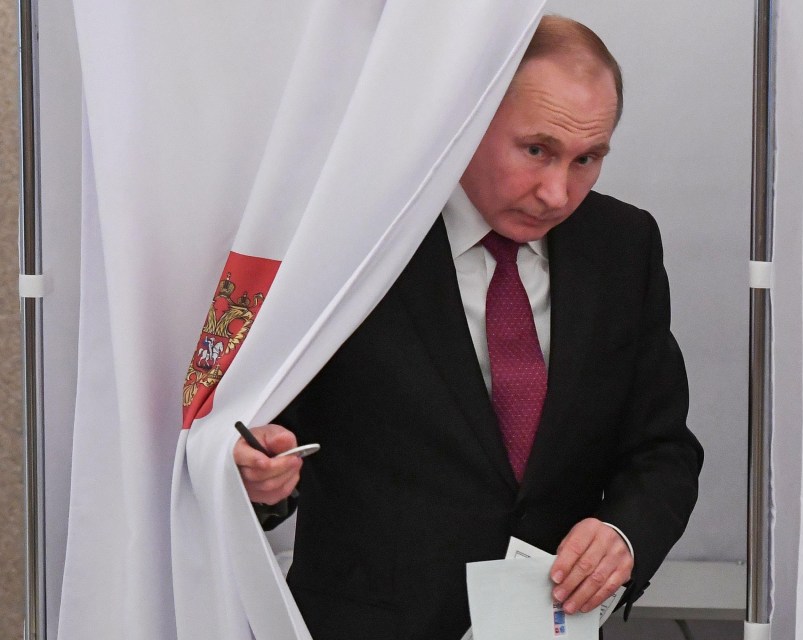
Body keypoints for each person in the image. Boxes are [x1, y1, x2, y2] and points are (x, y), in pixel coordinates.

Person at [234, 15, 702, 639]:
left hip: (547, 625)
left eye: (588, 159)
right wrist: (259, 479)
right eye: (537, 150)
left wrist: (623, 535)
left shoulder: (622, 246)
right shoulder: (352, 239)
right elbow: (264, 442)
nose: (558, 192)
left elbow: (662, 450)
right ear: (470, 117)